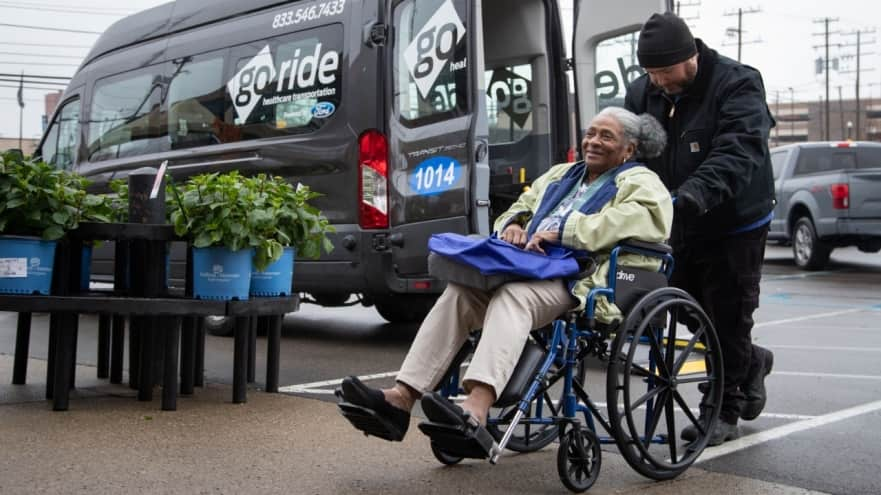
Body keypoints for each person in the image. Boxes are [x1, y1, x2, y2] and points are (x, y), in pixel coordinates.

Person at [337, 107, 673, 451]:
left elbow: (639, 221)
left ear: (629, 149)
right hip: (529, 266)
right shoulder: (564, 174)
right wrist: (512, 225)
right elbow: (521, 205)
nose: (593, 141)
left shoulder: (641, 182)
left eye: (606, 136)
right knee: (460, 292)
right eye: (591, 133)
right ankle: (401, 398)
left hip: (581, 279)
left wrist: (564, 232)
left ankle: (477, 408)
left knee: (514, 296)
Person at [624, 12, 776, 445]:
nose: (658, 82)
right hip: (675, 221)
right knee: (689, 309)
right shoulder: (643, 92)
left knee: (729, 315)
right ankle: (750, 363)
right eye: (650, 72)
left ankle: (722, 412)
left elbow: (737, 150)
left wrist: (691, 195)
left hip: (735, 222)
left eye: (665, 71)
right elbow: (628, 146)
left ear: (690, 56)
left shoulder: (737, 83)